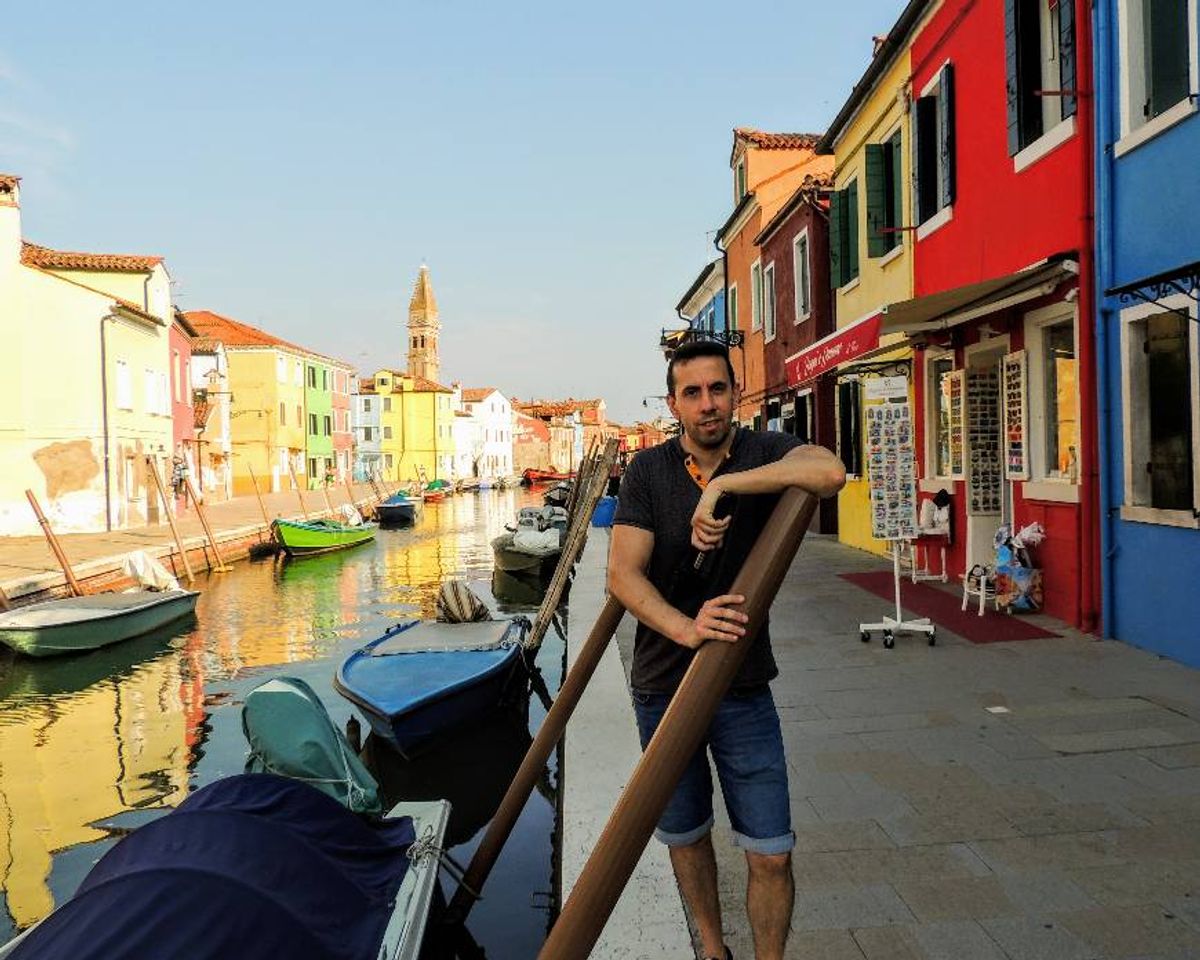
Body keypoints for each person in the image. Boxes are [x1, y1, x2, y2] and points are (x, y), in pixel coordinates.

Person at [608, 339, 845, 960]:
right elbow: (623, 576)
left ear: (735, 393)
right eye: (692, 393)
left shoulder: (761, 451)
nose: (707, 404)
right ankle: (713, 952)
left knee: (771, 850)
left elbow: (828, 472)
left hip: (743, 686)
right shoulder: (648, 473)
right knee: (687, 837)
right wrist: (687, 628)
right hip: (662, 686)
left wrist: (726, 486)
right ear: (673, 403)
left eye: (717, 389)